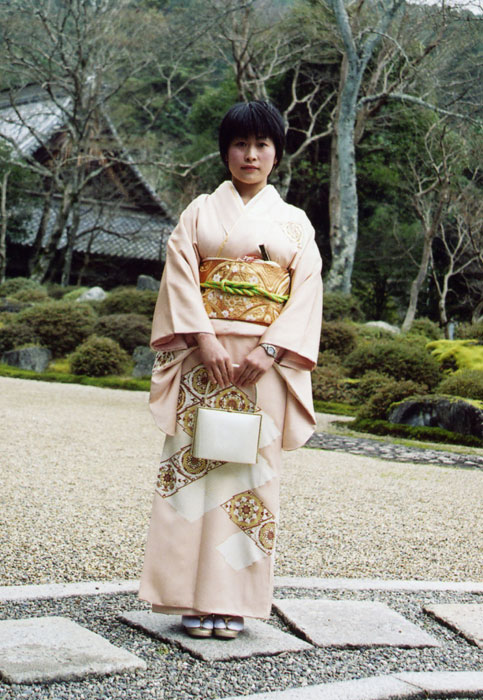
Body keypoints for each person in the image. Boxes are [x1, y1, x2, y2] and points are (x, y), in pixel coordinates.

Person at [139, 101, 322, 639]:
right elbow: (179, 277)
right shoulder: (198, 212)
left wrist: (271, 351)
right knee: (192, 473)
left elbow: (306, 292)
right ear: (225, 152)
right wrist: (204, 339)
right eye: (240, 144)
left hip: (262, 368)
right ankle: (186, 596)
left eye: (262, 144)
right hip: (204, 361)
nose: (250, 155)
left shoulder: (296, 223)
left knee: (250, 480)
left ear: (276, 154)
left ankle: (234, 600)